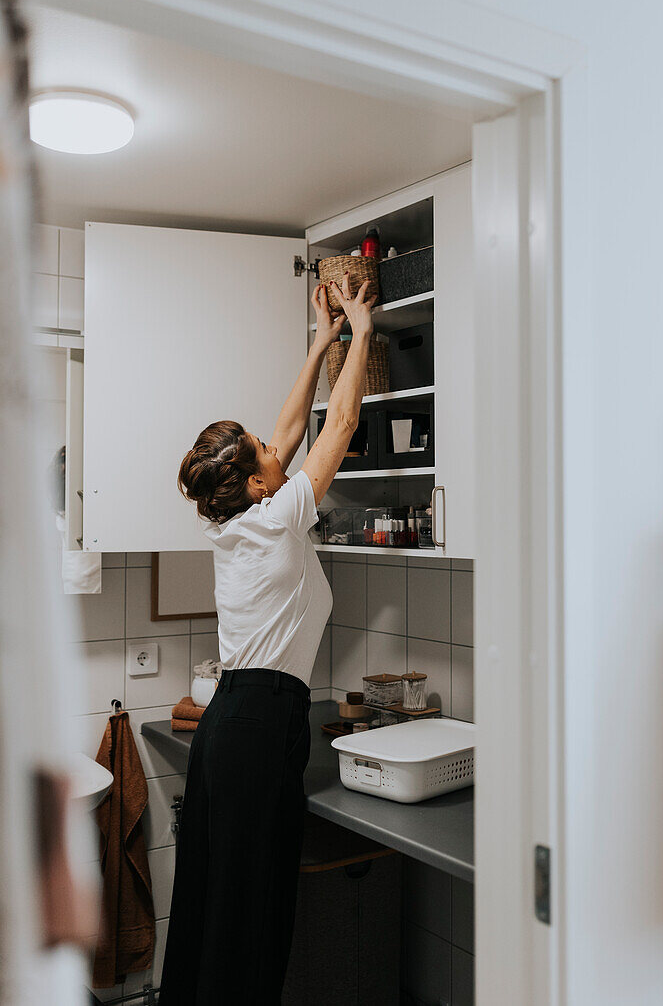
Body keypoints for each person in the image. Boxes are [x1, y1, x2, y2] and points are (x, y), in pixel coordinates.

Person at [158, 273, 375, 1005]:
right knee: (251, 915)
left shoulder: (234, 518)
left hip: (233, 724)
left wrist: (321, 341)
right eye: (258, 448)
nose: (271, 442)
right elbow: (335, 429)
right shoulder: (279, 515)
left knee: (212, 903)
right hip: (257, 727)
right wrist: (361, 332)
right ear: (255, 482)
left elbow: (283, 436)